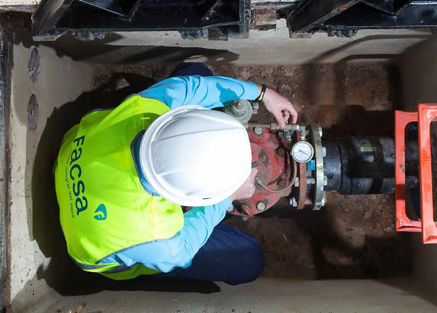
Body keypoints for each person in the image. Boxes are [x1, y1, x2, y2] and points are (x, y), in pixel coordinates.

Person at [53, 62, 299, 285]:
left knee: (197, 72)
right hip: (90, 248)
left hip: (71, 154)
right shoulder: (158, 236)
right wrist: (228, 197)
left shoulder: (146, 109)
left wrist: (263, 93)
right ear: (190, 197)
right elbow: (185, 248)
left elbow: (195, 86)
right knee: (250, 260)